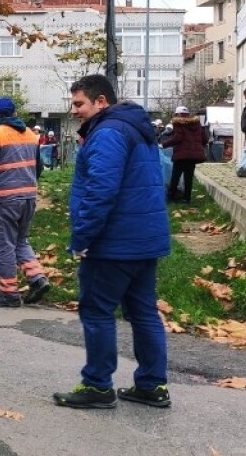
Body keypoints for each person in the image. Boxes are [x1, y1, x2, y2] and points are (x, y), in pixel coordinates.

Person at [53, 74, 170, 410]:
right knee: (143, 311)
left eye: (79, 104)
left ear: (100, 101)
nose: (74, 110)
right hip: (144, 238)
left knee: (97, 310)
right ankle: (152, 385)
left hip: (113, 242)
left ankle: (98, 386)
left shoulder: (107, 133)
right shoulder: (137, 129)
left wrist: (82, 238)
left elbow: (100, 190)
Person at [0, 98, 52, 307]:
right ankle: (37, 278)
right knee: (20, 241)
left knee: (2, 244)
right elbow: (38, 167)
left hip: (5, 198)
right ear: (14, 113)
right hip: (29, 197)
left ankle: (9, 293)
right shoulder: (30, 135)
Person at [164, 106, 207, 203]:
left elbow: (177, 138)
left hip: (181, 155)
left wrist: (164, 144)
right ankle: (186, 198)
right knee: (189, 176)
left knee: (176, 176)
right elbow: (205, 139)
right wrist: (197, 147)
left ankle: (171, 197)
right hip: (193, 156)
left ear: (178, 114)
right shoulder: (197, 124)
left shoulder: (178, 123)